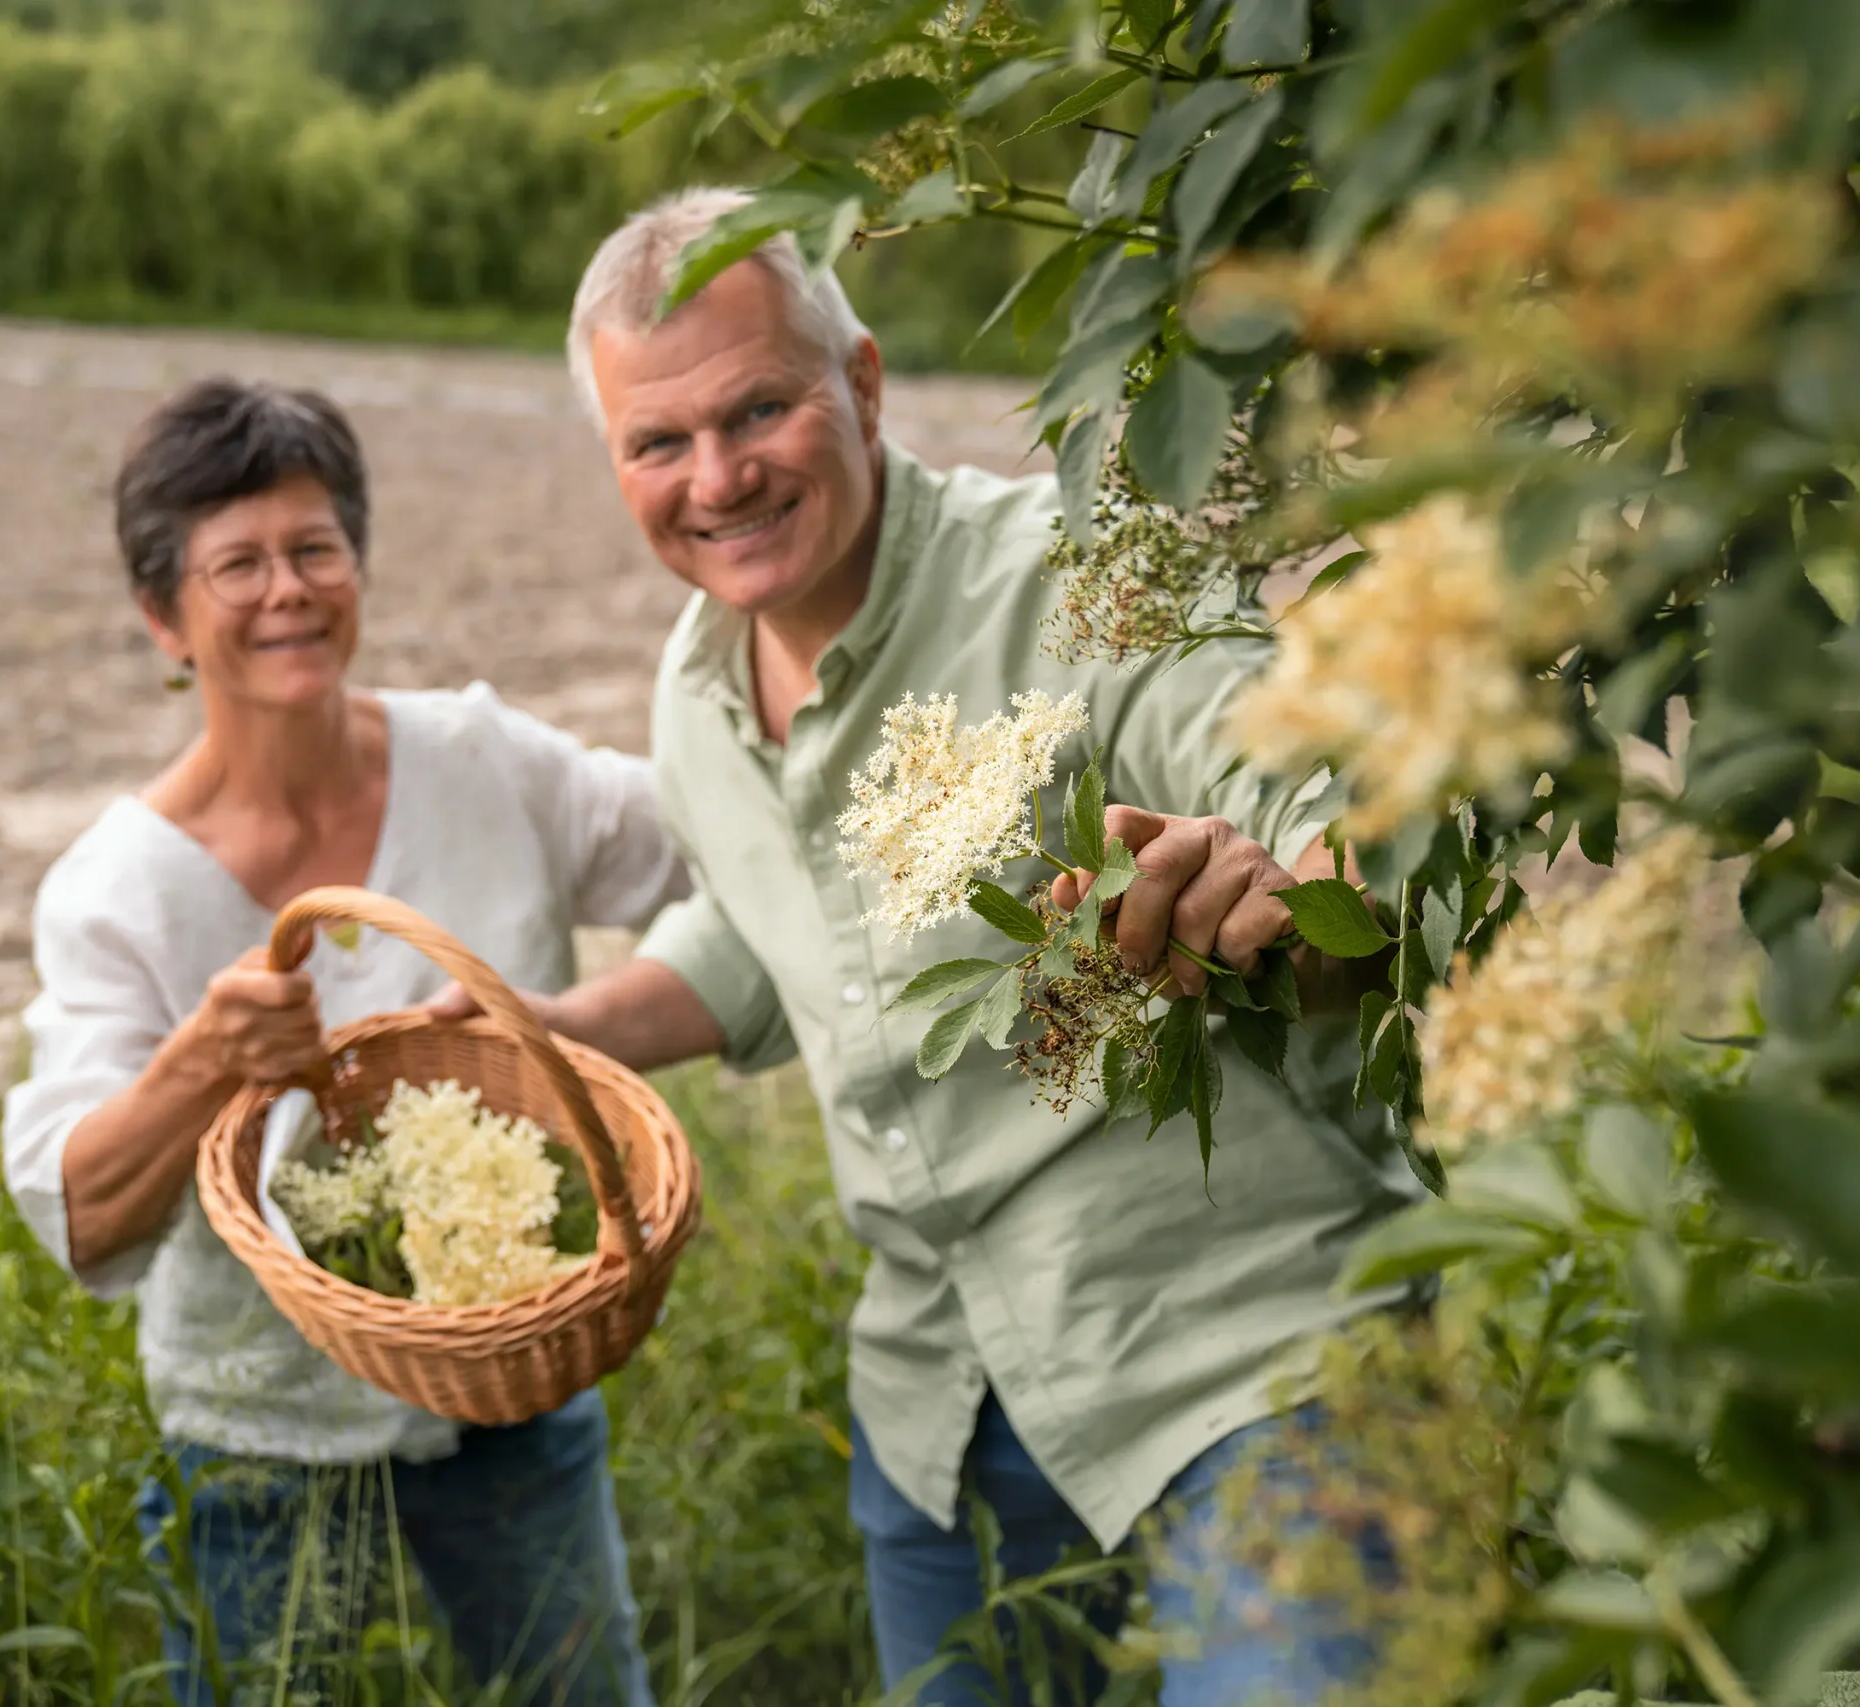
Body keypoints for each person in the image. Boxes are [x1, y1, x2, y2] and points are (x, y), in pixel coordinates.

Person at [446, 188, 1420, 1705]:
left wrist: (1295, 899)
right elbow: (773, 925)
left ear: (865, 383)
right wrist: (554, 1031)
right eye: (658, 443)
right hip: (942, 1419)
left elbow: (1325, 812)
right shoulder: (695, 692)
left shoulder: (1079, 576)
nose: (717, 477)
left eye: (759, 406)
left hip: (1246, 1367)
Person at [1, 379, 672, 1707]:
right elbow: (79, 1215)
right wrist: (204, 1058)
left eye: (314, 548)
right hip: (262, 1434)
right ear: (163, 616)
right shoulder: (115, 890)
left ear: (357, 566)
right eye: (235, 564)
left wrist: (609, 1020)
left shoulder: (486, 761)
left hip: (510, 1385)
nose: (286, 590)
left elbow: (718, 847)